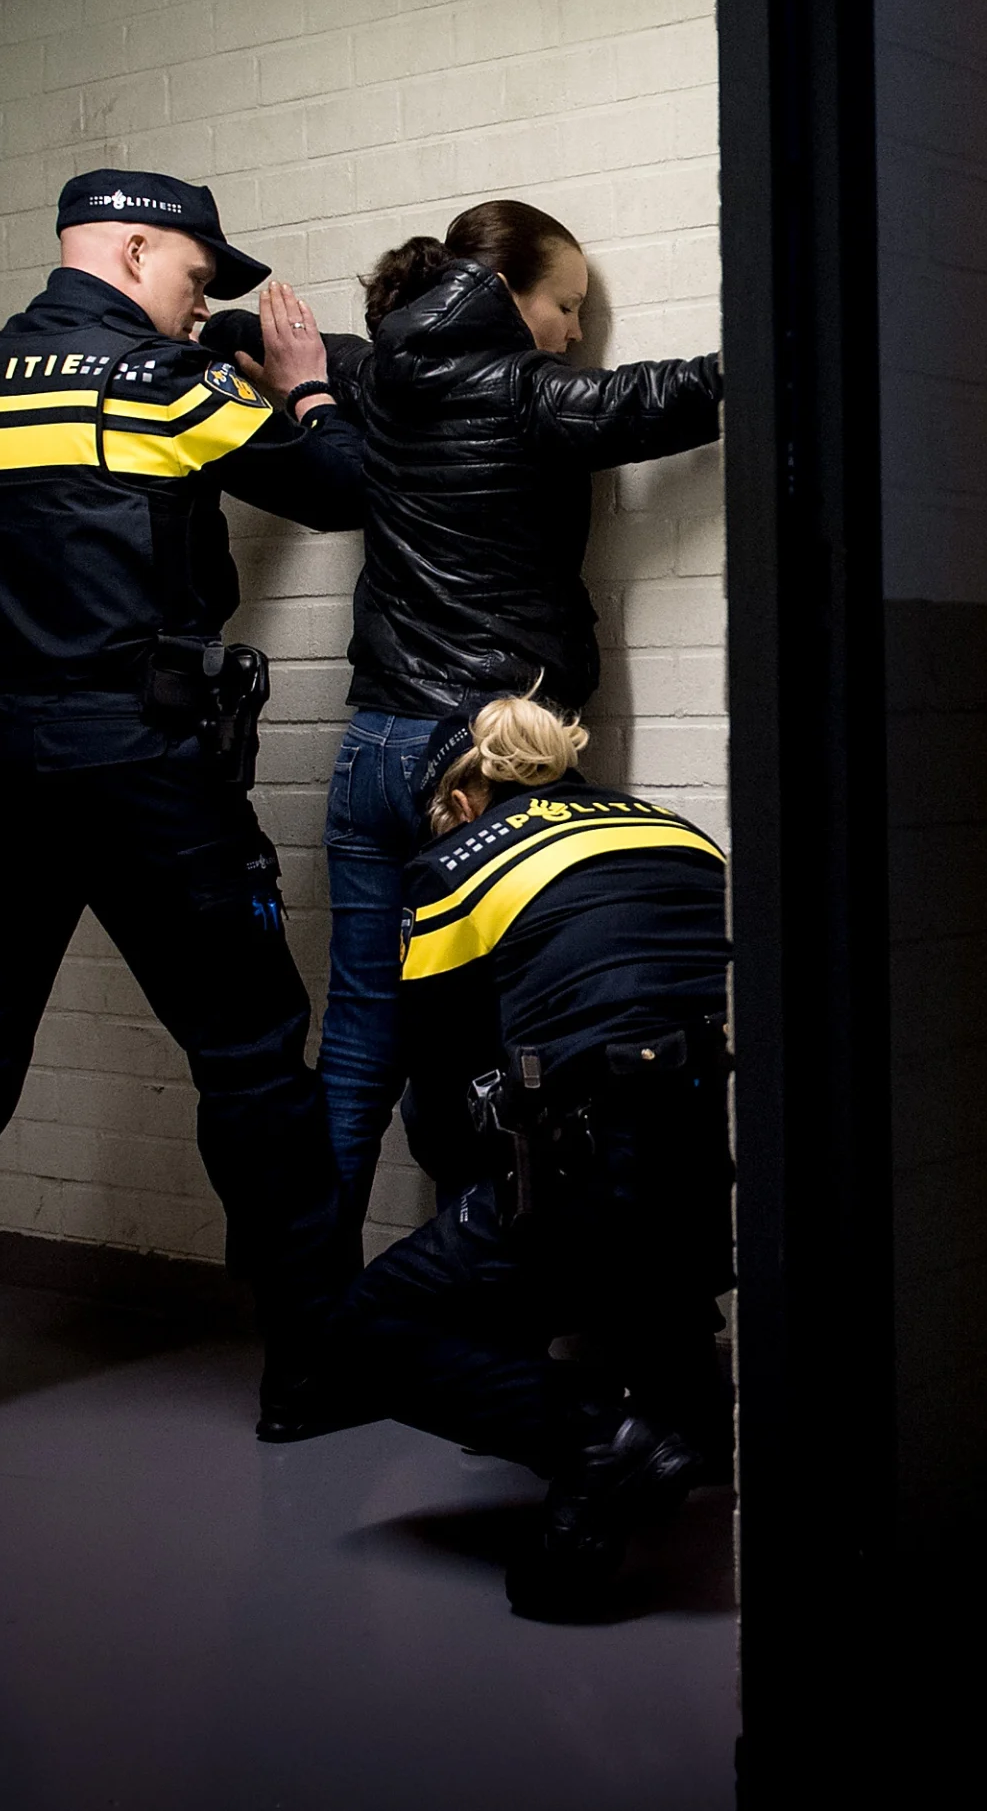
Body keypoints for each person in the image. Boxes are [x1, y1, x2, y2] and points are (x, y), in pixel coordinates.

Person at [0, 167, 369, 1440]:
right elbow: (335, 487)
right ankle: (313, 1362)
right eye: (196, 277)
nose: (198, 299)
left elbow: (81, 484)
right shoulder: (164, 386)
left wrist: (205, 345)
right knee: (253, 1060)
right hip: (147, 770)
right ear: (137, 247)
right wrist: (307, 382)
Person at [320, 200, 725, 1243]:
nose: (575, 331)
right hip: (487, 757)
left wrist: (252, 345)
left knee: (365, 1041)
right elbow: (674, 397)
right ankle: (482, 1307)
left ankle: (305, 1339)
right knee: (495, 1048)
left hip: (374, 745)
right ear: (506, 295)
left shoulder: (376, 375)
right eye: (565, 305)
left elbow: (296, 347)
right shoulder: (525, 392)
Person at [327, 690, 735, 1618]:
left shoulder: (453, 868)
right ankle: (695, 1417)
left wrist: (481, 1232)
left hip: (597, 1186)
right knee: (646, 1168)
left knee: (365, 1333)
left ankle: (603, 1440)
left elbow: (434, 1084)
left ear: (462, 795)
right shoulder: (674, 830)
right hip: (735, 1184)